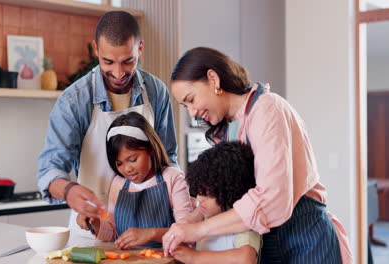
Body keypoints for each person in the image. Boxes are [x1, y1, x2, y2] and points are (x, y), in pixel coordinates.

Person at [162, 47, 353, 263]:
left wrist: (198, 230)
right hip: (265, 240)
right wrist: (191, 220)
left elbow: (272, 199)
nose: (192, 112)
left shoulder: (267, 108)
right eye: (185, 105)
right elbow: (222, 196)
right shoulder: (225, 130)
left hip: (304, 236)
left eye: (191, 99)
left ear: (213, 79)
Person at [36, 11, 178, 239]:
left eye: (128, 61)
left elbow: (168, 157)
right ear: (96, 50)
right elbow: (49, 170)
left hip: (150, 226)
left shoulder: (156, 92)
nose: (118, 73)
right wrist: (69, 191)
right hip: (93, 228)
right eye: (108, 62)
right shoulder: (75, 100)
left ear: (140, 49)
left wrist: (180, 202)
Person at [77, 112, 192, 249]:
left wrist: (151, 233)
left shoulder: (172, 178)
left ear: (150, 148)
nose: (127, 169)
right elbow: (113, 232)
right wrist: (94, 223)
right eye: (119, 163)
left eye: (133, 160)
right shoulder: (118, 183)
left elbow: (188, 232)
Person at [172, 141, 261, 264]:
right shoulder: (206, 215)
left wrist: (194, 257)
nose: (199, 199)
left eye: (207, 195)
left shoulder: (244, 224)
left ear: (229, 192)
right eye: (198, 192)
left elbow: (245, 259)